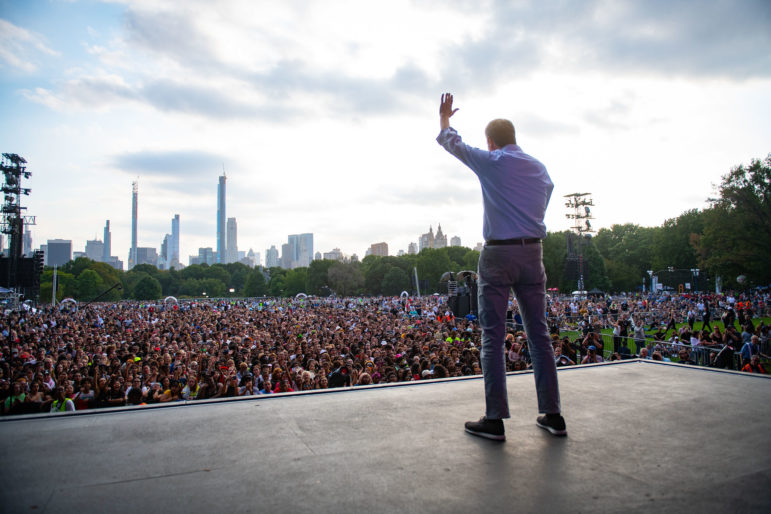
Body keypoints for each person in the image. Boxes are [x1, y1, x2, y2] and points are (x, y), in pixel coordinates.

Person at [437, 93, 565, 441]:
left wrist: (445, 119)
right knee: (539, 335)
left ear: (491, 142)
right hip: (533, 252)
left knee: (492, 336)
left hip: (497, 255)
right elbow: (544, 198)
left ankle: (495, 419)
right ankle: (553, 415)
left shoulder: (492, 161)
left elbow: (453, 144)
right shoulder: (539, 168)